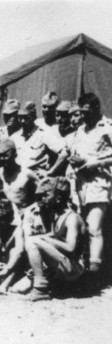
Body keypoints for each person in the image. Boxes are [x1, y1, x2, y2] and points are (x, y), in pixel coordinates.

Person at [68, 93, 112, 278]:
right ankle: (82, 270)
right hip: (80, 183)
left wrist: (98, 163)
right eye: (81, 112)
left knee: (94, 228)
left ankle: (94, 275)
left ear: (96, 108)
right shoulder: (81, 131)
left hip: (99, 182)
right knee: (82, 228)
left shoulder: (108, 127)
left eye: (86, 111)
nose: (83, 115)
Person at [25, 177, 87, 301]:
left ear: (58, 198)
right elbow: (54, 237)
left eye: (46, 195)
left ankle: (40, 289)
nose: (42, 199)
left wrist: (42, 238)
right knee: (18, 288)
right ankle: (45, 281)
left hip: (75, 268)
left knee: (33, 242)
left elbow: (70, 248)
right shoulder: (57, 215)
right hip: (66, 264)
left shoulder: (72, 218)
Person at [10, 101, 67, 177]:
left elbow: (64, 153)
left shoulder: (44, 134)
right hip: (17, 178)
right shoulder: (15, 137)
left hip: (35, 178)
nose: (23, 121)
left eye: (26, 118)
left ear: (34, 118)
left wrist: (50, 172)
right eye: (20, 117)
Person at [0, 139, 38, 212]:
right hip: (4, 215)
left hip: (24, 213)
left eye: (6, 155)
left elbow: (40, 192)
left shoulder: (27, 173)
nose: (2, 159)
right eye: (0, 156)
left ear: (15, 154)